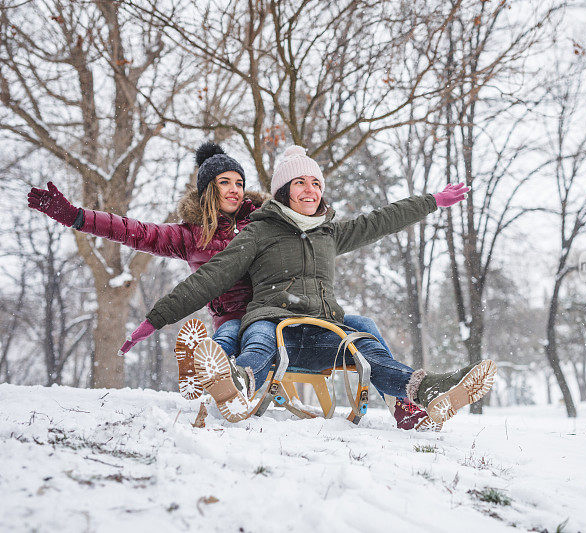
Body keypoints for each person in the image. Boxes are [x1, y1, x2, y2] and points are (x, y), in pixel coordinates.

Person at [28, 142, 433, 429]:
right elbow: (134, 231)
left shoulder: (263, 219)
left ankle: (403, 400)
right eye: (225, 183)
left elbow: (336, 224)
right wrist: (77, 217)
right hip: (235, 315)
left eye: (239, 182)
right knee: (231, 334)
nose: (235, 190)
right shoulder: (190, 236)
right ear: (208, 190)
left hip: (279, 309)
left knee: (364, 328)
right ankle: (208, 374)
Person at [120, 145, 497, 426]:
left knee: (364, 346)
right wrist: (153, 320)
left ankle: (425, 389)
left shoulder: (330, 233)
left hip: (322, 331)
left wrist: (431, 201)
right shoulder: (259, 231)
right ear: (284, 191)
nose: (310, 189)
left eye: (316, 182)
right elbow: (211, 276)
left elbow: (383, 219)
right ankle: (238, 385)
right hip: (271, 321)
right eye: (299, 182)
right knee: (259, 338)